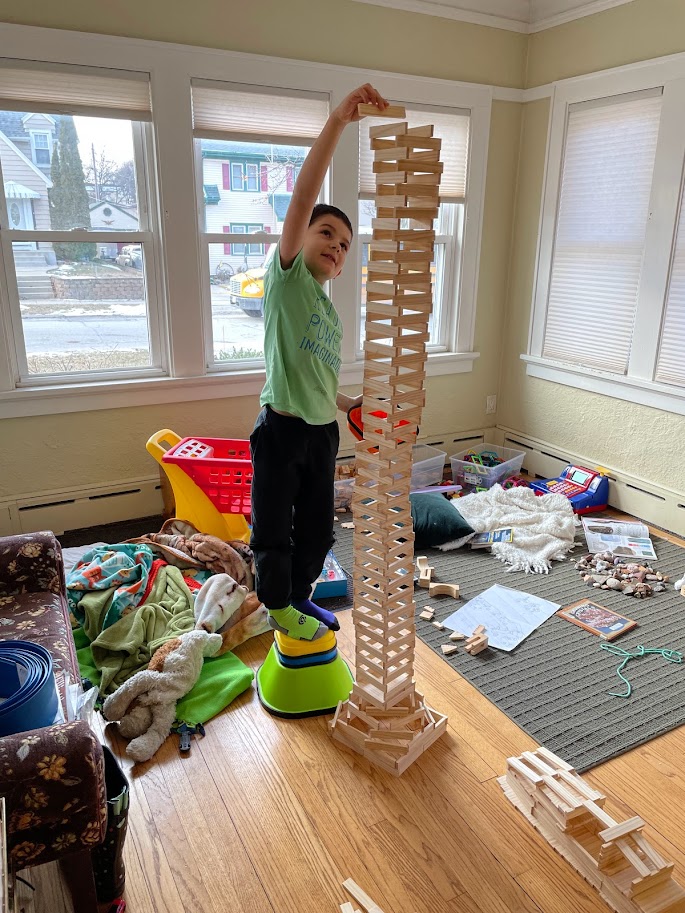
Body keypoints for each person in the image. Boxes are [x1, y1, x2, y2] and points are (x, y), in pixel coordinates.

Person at [249, 83, 389, 641]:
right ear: (300, 236)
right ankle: (275, 603)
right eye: (326, 233)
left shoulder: (327, 311)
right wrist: (338, 122)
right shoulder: (287, 281)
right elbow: (303, 198)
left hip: (322, 433)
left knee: (318, 530)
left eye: (345, 244)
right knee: (273, 531)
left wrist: (349, 403)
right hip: (281, 430)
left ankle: (299, 601)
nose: (335, 246)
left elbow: (319, 373)